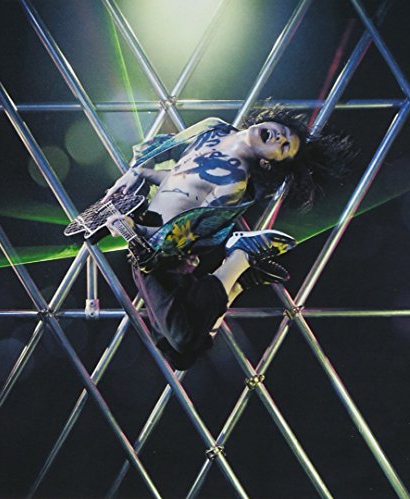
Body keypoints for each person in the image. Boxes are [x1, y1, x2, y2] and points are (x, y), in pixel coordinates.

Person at [102, 107, 355, 370]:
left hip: (157, 250)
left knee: (183, 341)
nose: (280, 137)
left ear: (268, 163)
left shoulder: (234, 185)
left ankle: (240, 257)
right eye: (284, 132)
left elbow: (185, 226)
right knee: (181, 353)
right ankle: (238, 282)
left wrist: (135, 231)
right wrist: (139, 173)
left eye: (284, 147)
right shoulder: (213, 127)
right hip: (152, 243)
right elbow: (175, 172)